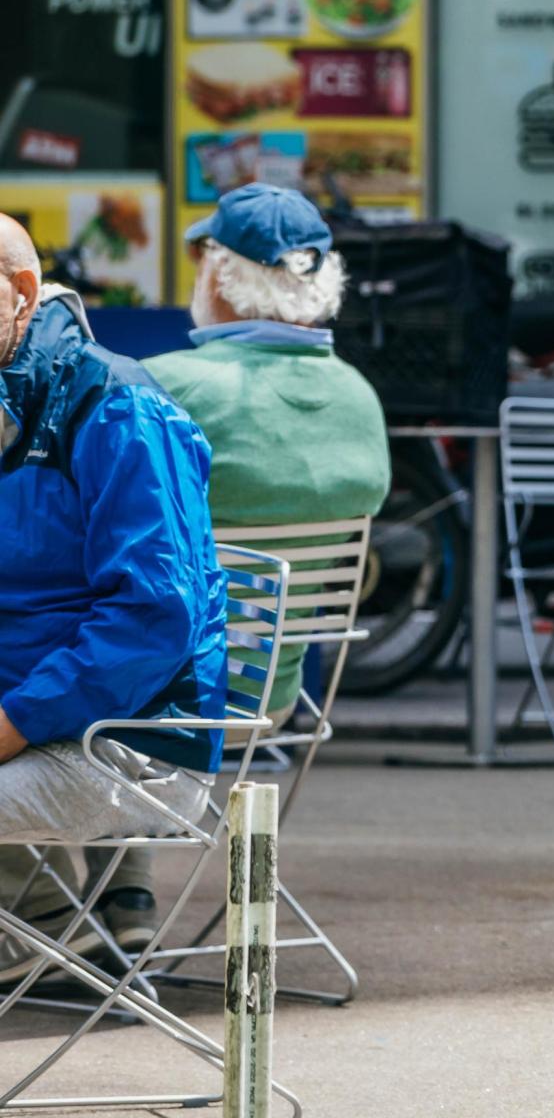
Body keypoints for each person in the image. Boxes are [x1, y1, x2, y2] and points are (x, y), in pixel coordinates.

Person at [0, 214, 228, 979]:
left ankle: (39, 918)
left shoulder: (118, 404)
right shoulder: (17, 394)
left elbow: (151, 617)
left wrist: (13, 721)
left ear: (22, 294)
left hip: (129, 742)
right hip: (42, 714)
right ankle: (46, 917)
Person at [146, 183, 391, 715]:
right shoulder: (361, 400)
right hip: (271, 697)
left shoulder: (166, 387)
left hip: (160, 692)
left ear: (221, 279)